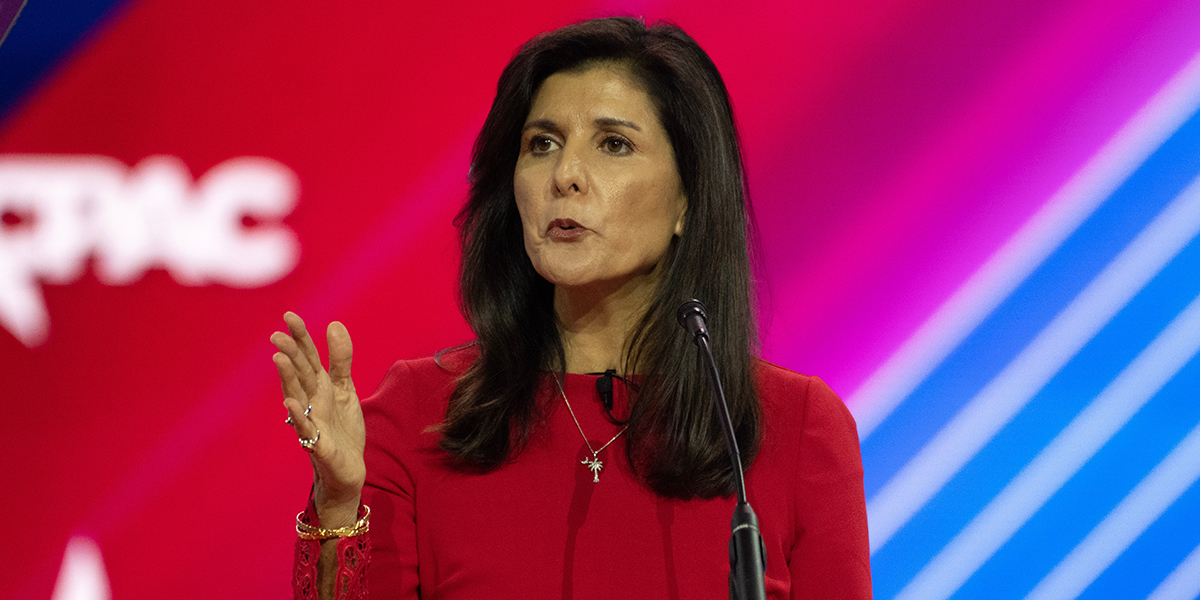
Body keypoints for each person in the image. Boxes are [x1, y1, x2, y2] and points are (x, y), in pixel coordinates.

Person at [271, 16, 871, 600]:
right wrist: (340, 503)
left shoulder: (795, 431)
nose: (566, 174)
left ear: (689, 198)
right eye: (542, 144)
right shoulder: (419, 415)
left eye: (614, 144)